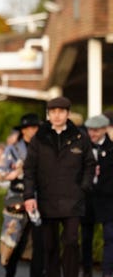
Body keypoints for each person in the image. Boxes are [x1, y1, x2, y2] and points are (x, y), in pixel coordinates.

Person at [23, 96, 96, 277]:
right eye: (53, 112)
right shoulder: (38, 139)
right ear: (48, 115)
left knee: (71, 241)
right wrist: (29, 196)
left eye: (61, 112)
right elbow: (29, 169)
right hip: (47, 199)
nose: (57, 116)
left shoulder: (80, 137)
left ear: (68, 114)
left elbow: (90, 164)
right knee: (50, 245)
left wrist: (84, 187)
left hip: (73, 199)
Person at [0, 113, 44, 277]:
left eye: (35, 127)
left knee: (39, 240)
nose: (33, 131)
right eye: (29, 128)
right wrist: (14, 173)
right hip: (18, 196)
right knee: (15, 240)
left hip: (40, 198)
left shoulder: (44, 148)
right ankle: (10, 272)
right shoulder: (13, 149)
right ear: (23, 130)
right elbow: (0, 171)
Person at [81, 114, 113, 277]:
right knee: (86, 239)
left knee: (110, 237)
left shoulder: (111, 149)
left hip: (108, 201)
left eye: (96, 130)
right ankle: (87, 271)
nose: (92, 133)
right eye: (90, 130)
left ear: (104, 129)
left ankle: (107, 272)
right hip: (87, 200)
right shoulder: (82, 148)